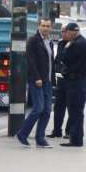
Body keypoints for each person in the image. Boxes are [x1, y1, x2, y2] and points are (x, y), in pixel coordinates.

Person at [16, 17, 54, 148]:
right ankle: (22, 134)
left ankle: (40, 138)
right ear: (39, 26)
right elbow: (30, 61)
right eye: (43, 25)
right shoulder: (33, 41)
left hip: (48, 81)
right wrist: (37, 77)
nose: (45, 28)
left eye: (48, 26)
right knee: (38, 108)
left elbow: (50, 62)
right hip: (37, 80)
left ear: (51, 27)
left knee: (47, 110)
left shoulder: (49, 41)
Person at [60, 22, 86, 147]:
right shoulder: (83, 42)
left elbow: (65, 58)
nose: (66, 35)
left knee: (74, 110)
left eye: (67, 32)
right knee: (77, 111)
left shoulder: (76, 44)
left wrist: (66, 47)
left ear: (73, 32)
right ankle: (77, 138)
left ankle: (75, 140)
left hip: (75, 82)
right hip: (80, 81)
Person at [48, 24, 71, 138]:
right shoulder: (61, 43)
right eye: (62, 32)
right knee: (58, 107)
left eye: (64, 31)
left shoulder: (76, 44)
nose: (63, 34)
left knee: (71, 107)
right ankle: (57, 131)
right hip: (61, 79)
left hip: (72, 80)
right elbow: (58, 59)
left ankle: (69, 132)